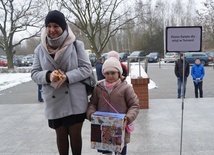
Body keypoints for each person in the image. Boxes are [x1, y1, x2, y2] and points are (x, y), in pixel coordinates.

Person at [31, 10, 92, 155]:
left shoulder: (76, 45)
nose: (52, 30)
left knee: (75, 135)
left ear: (64, 27)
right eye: (49, 26)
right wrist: (48, 76)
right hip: (54, 101)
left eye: (56, 26)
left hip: (75, 100)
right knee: (60, 136)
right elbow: (34, 73)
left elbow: (86, 68)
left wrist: (67, 77)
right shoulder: (40, 49)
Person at [87, 57, 139, 155]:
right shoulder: (98, 87)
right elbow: (92, 103)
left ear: (119, 73)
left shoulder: (126, 87)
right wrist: (92, 115)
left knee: (121, 151)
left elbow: (134, 105)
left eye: (113, 73)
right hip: (104, 128)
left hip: (121, 127)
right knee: (106, 152)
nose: (110, 76)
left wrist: (127, 118)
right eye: (107, 73)